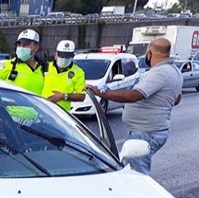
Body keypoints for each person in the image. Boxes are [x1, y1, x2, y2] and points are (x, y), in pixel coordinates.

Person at [86, 38, 182, 175]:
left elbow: (134, 96)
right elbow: (176, 99)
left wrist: (102, 93)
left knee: (136, 174)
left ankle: (139, 196)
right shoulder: (174, 71)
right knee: (130, 168)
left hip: (146, 132)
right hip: (153, 130)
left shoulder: (159, 73)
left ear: (149, 53)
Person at [0, 29, 45, 95]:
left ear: (36, 47)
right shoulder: (9, 65)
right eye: (19, 44)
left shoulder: (44, 69)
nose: (21, 47)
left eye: (25, 44)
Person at [41, 40, 85, 112]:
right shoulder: (46, 67)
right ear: (55, 55)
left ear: (72, 56)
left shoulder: (78, 72)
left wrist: (63, 96)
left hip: (62, 115)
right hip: (43, 111)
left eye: (67, 57)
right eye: (62, 56)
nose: (64, 59)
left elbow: (82, 96)